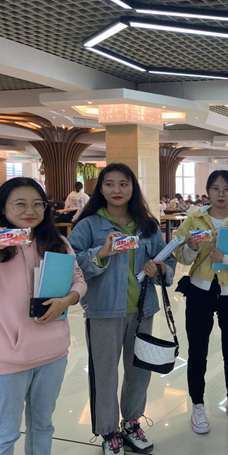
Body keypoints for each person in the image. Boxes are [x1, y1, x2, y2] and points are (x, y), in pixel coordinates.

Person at [69, 163, 176, 455]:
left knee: (139, 371)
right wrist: (101, 253)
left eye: (124, 184)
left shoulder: (147, 225)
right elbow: (72, 264)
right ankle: (108, 431)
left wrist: (159, 268)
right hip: (103, 311)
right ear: (100, 189)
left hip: (142, 310)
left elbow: (168, 262)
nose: (117, 190)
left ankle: (131, 423)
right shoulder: (88, 225)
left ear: (133, 188)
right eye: (110, 184)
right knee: (105, 374)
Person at [0, 178, 87, 455]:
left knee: (42, 426)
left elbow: (78, 279)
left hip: (53, 352)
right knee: (5, 434)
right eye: (20, 203)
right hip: (7, 358)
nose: (30, 210)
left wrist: (68, 299)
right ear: (3, 207)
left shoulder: (57, 243)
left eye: (38, 204)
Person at [175, 170, 228, 434]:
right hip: (200, 290)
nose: (221, 194)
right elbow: (180, 255)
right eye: (215, 188)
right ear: (208, 192)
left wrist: (226, 258)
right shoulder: (193, 219)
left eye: (226, 189)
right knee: (197, 350)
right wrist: (190, 248)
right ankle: (198, 405)